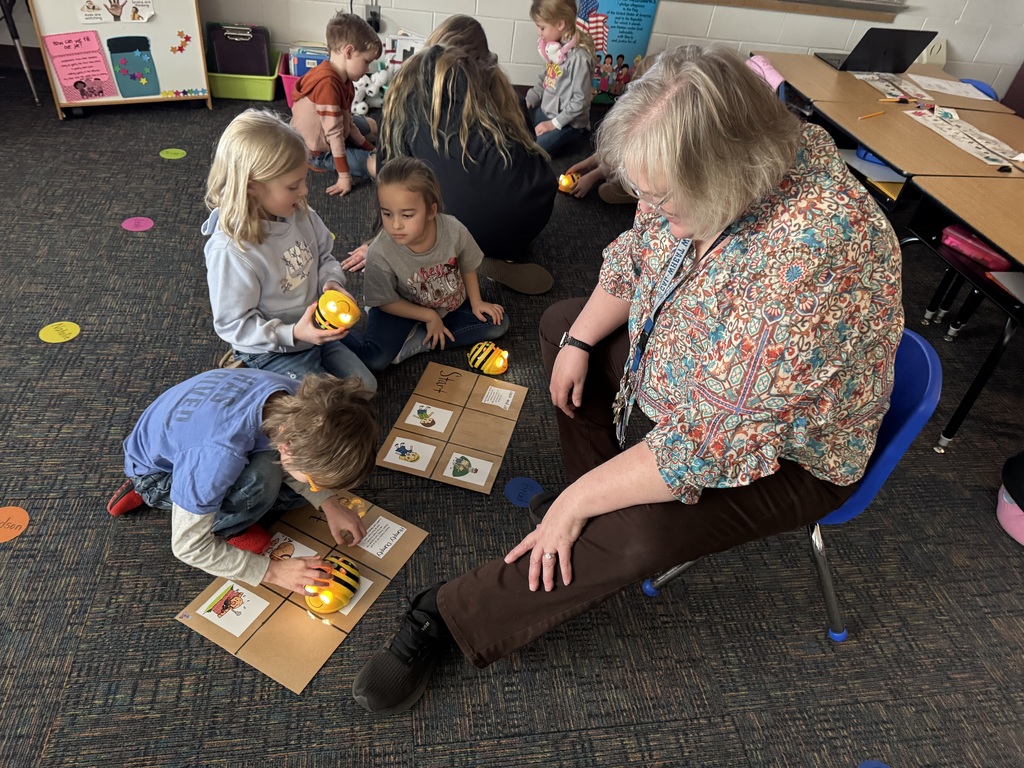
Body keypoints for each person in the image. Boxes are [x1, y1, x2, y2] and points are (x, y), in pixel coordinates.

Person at [349, 45, 904, 714]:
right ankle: (595, 502)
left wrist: (580, 502)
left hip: (789, 455)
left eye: (662, 200)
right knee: (560, 328)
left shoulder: (817, 254)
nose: (649, 210)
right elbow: (636, 257)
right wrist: (581, 340)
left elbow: (706, 444)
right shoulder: (730, 160)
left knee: (640, 533)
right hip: (698, 384)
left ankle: (448, 612)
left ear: (727, 171)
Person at [105, 370, 378, 594]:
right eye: (316, 482)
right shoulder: (217, 457)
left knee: (296, 493)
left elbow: (288, 454)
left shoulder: (304, 401)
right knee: (265, 480)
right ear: (287, 447)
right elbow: (187, 547)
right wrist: (272, 571)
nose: (319, 487)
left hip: (180, 443)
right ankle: (222, 526)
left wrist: (328, 503)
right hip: (159, 474)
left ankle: (186, 492)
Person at [346, 15, 557, 296]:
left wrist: (380, 239)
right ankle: (479, 251)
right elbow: (527, 149)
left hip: (463, 223)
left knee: (416, 186)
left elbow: (391, 175)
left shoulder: (407, 97)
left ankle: (454, 252)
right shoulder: (507, 92)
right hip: (530, 218)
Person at [203, 109, 376, 393]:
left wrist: (331, 282)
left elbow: (324, 258)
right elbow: (233, 324)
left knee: (365, 389)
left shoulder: (300, 213)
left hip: (313, 331)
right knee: (321, 418)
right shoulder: (231, 252)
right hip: (271, 349)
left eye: (304, 180)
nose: (305, 191)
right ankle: (245, 372)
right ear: (252, 188)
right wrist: (292, 334)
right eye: (293, 186)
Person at [340, 157, 509, 372]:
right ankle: (420, 334)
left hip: (445, 306)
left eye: (407, 215)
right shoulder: (379, 252)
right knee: (374, 360)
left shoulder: (454, 229)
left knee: (497, 324)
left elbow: (468, 266)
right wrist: (428, 316)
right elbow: (385, 302)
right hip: (397, 307)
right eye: (387, 214)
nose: (396, 225)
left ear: (431, 211)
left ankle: (417, 340)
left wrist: (476, 302)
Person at [290, 12, 382, 197]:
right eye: (366, 62)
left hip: (334, 126)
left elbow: (346, 120)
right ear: (348, 52)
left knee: (372, 126)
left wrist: (366, 145)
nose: (367, 70)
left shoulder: (343, 77)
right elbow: (335, 133)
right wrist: (344, 176)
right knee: (376, 166)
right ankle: (325, 162)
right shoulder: (328, 84)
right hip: (319, 151)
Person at [524, 0, 596, 156]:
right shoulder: (552, 48)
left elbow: (580, 101)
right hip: (547, 110)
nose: (538, 33)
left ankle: (574, 142)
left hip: (569, 122)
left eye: (542, 28)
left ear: (560, 24)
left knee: (533, 150)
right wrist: (529, 100)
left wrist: (553, 124)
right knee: (520, 128)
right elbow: (545, 78)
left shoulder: (579, 59)